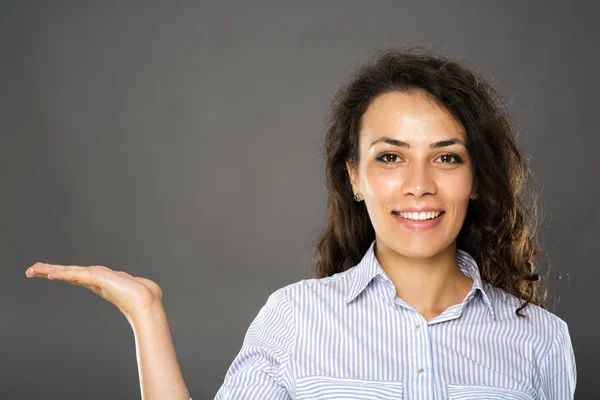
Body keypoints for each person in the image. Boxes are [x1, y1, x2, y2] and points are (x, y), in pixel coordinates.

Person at [26, 48, 577, 400]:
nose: (418, 184)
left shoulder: (541, 342)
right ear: (355, 178)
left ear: (476, 179)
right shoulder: (295, 319)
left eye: (447, 157)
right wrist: (145, 315)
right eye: (390, 157)